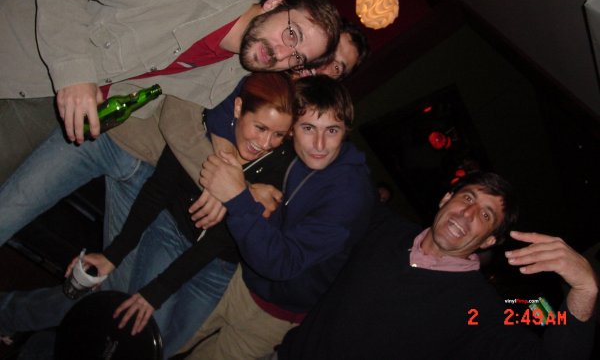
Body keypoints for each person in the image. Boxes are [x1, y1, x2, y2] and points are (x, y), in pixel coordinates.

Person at [0, 73, 297, 358]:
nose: (266, 142)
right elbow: (159, 186)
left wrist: (236, 195)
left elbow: (220, 240)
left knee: (157, 344)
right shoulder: (204, 133)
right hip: (170, 231)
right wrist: (118, 258)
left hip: (215, 263)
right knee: (130, 317)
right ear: (238, 108)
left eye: (278, 135)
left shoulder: (280, 168)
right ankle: (13, 317)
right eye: (260, 128)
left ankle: (23, 328)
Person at [0, 0, 341, 183]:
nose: (282, 53)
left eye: (297, 57)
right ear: (274, 3)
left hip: (55, 107)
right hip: (21, 53)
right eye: (291, 34)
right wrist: (75, 72)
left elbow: (177, 109)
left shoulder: (235, 67)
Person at [275, 172, 598, 360]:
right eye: (468, 198)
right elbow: (338, 179)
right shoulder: (384, 228)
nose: (467, 214)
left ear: (489, 241)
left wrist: (585, 290)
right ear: (446, 199)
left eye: (486, 215)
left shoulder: (479, 311)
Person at [178, 75, 376, 360]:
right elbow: (224, 106)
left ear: (345, 130)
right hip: (241, 278)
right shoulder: (287, 147)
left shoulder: (349, 196)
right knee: (166, 338)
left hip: (275, 316)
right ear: (291, 128)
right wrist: (234, 171)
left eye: (332, 130)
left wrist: (238, 196)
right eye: (308, 128)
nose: (319, 144)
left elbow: (283, 263)